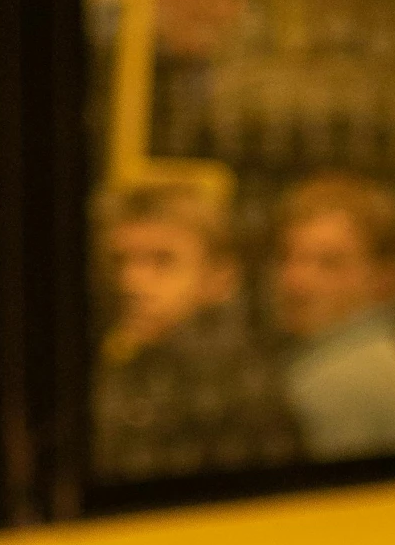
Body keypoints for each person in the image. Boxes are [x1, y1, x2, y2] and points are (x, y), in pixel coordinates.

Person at [92, 180, 298, 481]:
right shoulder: (147, 358)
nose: (131, 281)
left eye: (162, 260)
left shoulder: (217, 379)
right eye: (119, 260)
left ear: (220, 276)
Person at [272, 173, 395, 460]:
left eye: (330, 264)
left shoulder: (345, 379)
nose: (296, 281)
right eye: (289, 257)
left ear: (385, 281)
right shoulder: (381, 357)